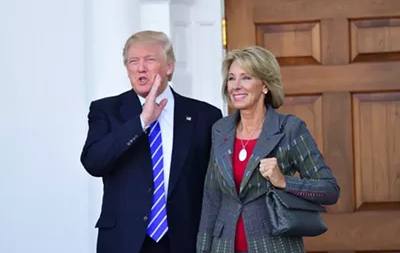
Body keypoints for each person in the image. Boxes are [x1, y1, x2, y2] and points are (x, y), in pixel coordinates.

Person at [81, 30, 222, 253]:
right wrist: (141, 121)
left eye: (150, 59)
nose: (140, 68)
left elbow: (216, 183)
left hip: (185, 240)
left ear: (169, 66)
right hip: (124, 241)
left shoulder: (205, 116)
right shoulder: (106, 111)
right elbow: (93, 162)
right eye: (133, 61)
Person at [196, 46, 340, 253]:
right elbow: (212, 198)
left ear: (265, 85)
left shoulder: (290, 128)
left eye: (245, 78)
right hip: (224, 246)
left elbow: (330, 190)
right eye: (231, 78)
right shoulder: (220, 129)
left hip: (273, 245)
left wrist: (283, 181)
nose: (235, 86)